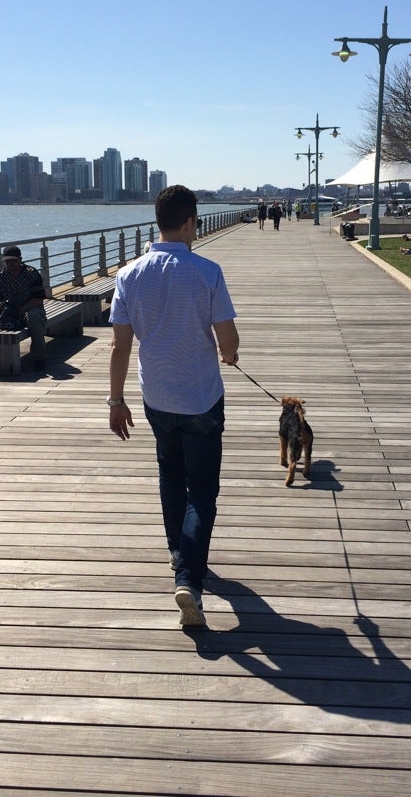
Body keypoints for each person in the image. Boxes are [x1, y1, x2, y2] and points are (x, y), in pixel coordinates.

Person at [108, 185, 240, 629]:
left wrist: (115, 399)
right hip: (201, 395)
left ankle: (176, 551)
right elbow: (229, 341)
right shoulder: (208, 271)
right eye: (197, 221)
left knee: (170, 474)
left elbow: (120, 346)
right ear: (189, 222)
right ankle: (189, 579)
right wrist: (230, 353)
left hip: (156, 397)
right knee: (202, 491)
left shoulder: (128, 275)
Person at [0, 245, 48, 370]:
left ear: (20, 259)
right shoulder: (0, 276)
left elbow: (39, 299)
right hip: (5, 310)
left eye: (13, 260)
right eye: (7, 261)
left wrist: (21, 310)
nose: (10, 263)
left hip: (28, 308)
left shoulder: (32, 273)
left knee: (35, 317)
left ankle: (39, 358)